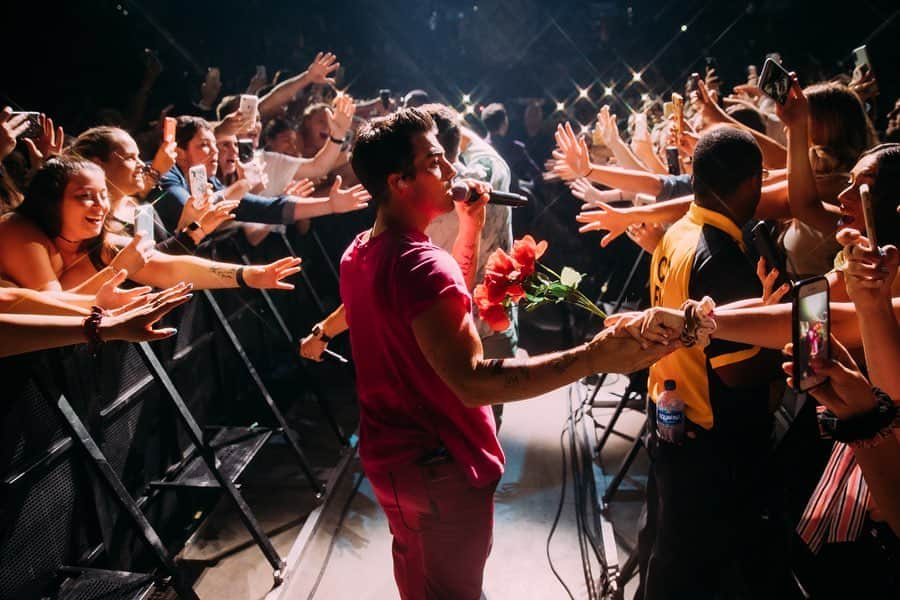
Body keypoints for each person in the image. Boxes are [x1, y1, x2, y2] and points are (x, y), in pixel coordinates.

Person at [338, 108, 698, 599]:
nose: (452, 172)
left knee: (425, 585)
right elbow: (471, 381)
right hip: (440, 468)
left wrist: (469, 228)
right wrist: (593, 356)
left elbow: (446, 316)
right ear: (400, 181)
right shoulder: (422, 267)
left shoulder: (360, 252)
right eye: (437, 162)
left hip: (394, 464)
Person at [637, 126, 786, 599]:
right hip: (709, 439)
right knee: (694, 570)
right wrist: (782, 343)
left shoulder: (679, 231)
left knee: (662, 548)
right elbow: (737, 371)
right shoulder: (722, 258)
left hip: (668, 417)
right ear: (749, 185)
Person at [151, 116, 369, 233]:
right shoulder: (164, 175)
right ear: (180, 153)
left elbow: (267, 209)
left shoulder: (212, 183)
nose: (216, 151)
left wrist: (330, 205)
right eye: (205, 145)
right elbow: (191, 215)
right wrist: (244, 183)